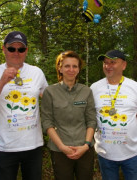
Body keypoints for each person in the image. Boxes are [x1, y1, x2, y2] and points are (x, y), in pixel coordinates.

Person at [0, 31, 48, 180]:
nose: (16, 53)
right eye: (12, 48)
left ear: (26, 51)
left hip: (33, 146)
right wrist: (1, 82)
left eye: (21, 49)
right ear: (4, 49)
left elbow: (50, 100)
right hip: (5, 147)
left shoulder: (36, 72)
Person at [90, 50, 137, 180]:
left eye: (112, 62)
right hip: (105, 152)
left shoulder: (135, 87)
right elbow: (90, 116)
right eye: (105, 63)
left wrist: (130, 131)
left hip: (131, 152)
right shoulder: (94, 88)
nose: (108, 66)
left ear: (123, 65)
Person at [41, 51, 97, 180]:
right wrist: (62, 147)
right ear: (60, 68)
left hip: (84, 149)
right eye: (67, 66)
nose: (71, 69)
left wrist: (86, 145)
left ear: (78, 69)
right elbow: (47, 122)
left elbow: (91, 120)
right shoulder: (50, 92)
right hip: (60, 150)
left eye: (75, 66)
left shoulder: (86, 91)